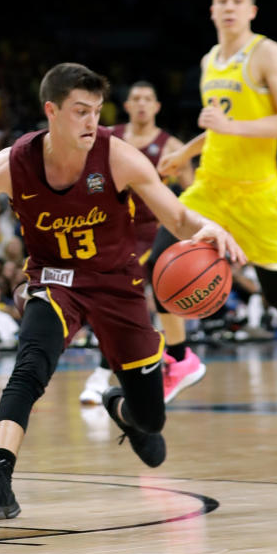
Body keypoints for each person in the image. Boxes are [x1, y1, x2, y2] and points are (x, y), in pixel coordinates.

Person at [0, 63, 244, 523]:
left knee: (151, 422)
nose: (92, 122)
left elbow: (177, 218)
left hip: (119, 286)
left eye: (96, 111)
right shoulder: (12, 165)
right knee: (28, 368)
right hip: (56, 280)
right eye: (80, 111)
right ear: (51, 111)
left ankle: (120, 406)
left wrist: (207, 226)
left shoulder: (120, 158)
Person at [155, 0, 277, 402]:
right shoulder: (208, 61)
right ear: (212, 10)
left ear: (252, 10)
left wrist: (231, 126)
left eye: (239, 0)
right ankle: (180, 360)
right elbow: (219, 127)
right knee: (161, 260)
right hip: (210, 189)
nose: (230, 7)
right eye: (223, 0)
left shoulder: (267, 53)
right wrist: (186, 153)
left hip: (258, 196)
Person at [79, 80, 194, 405]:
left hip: (149, 234)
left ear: (157, 106)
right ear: (126, 105)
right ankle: (144, 367)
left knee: (121, 300)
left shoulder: (171, 145)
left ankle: (103, 375)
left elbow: (193, 194)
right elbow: (85, 173)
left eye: (148, 98)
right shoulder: (106, 136)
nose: (142, 104)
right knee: (104, 304)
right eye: (136, 99)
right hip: (106, 229)